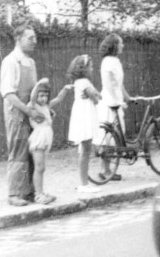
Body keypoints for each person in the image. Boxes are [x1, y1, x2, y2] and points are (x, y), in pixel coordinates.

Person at [0, 23, 41, 206]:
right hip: (16, 113)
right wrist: (27, 110)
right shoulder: (10, 61)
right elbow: (8, 94)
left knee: (33, 151)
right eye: (30, 38)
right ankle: (14, 194)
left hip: (31, 113)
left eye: (35, 38)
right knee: (18, 152)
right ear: (18, 39)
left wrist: (43, 108)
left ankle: (30, 191)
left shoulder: (31, 62)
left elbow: (35, 91)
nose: (34, 41)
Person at [27, 78, 70, 204]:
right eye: (41, 96)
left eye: (45, 96)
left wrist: (65, 89)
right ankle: (38, 195)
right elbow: (32, 97)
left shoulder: (46, 106)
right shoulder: (33, 105)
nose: (43, 99)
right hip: (38, 139)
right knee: (39, 167)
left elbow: (58, 99)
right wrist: (39, 83)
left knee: (42, 168)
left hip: (45, 139)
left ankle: (40, 192)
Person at [67, 54, 101, 193]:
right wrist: (95, 97)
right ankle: (83, 184)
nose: (92, 69)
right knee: (86, 150)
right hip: (85, 115)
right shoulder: (84, 82)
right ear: (84, 68)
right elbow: (97, 97)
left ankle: (84, 182)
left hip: (84, 114)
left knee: (85, 150)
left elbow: (96, 95)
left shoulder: (79, 82)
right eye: (91, 67)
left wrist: (95, 96)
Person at [98, 33, 132, 132]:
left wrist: (127, 97)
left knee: (119, 132)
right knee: (112, 132)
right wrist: (117, 102)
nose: (123, 45)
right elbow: (109, 85)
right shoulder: (108, 61)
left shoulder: (115, 61)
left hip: (116, 98)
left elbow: (119, 83)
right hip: (110, 100)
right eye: (120, 43)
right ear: (114, 46)